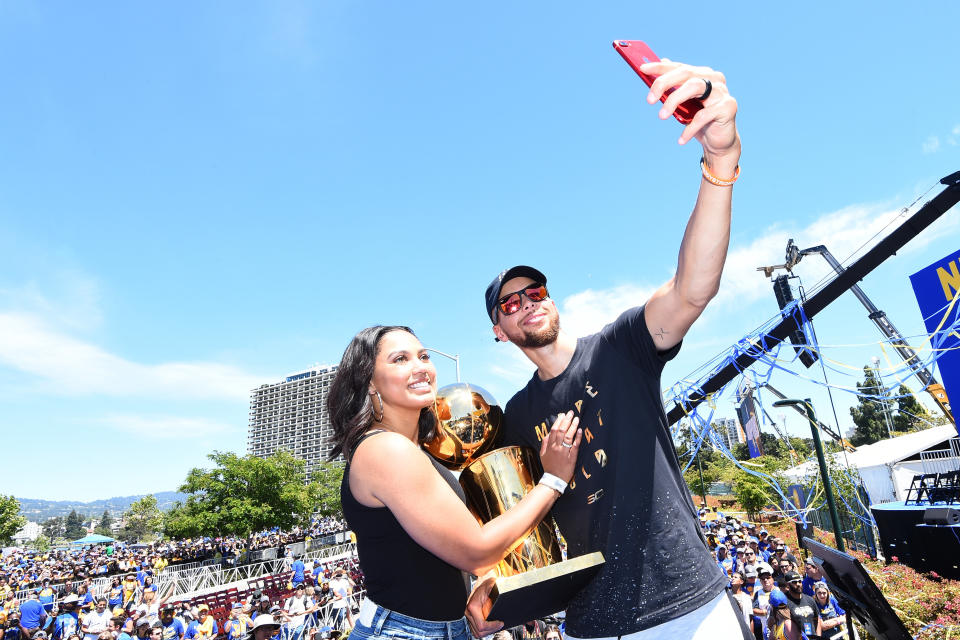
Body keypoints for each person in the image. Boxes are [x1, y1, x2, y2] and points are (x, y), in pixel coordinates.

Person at [468, 58, 742, 640]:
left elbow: (693, 287)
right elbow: (514, 522)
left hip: (687, 608)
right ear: (498, 329)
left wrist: (720, 162)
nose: (527, 303)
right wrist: (492, 592)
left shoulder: (620, 349)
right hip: (591, 624)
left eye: (534, 291)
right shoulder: (515, 418)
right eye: (509, 304)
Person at [326, 325, 582, 640]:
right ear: (369, 382)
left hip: (446, 629)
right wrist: (554, 479)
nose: (420, 367)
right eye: (400, 359)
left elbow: (448, 552)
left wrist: (482, 581)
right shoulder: (384, 449)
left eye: (423, 356)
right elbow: (477, 551)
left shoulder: (412, 450)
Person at [781, 572, 820, 639]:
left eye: (799, 581)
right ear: (787, 585)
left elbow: (817, 620)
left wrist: (818, 637)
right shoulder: (784, 603)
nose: (798, 584)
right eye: (794, 582)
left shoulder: (810, 599)